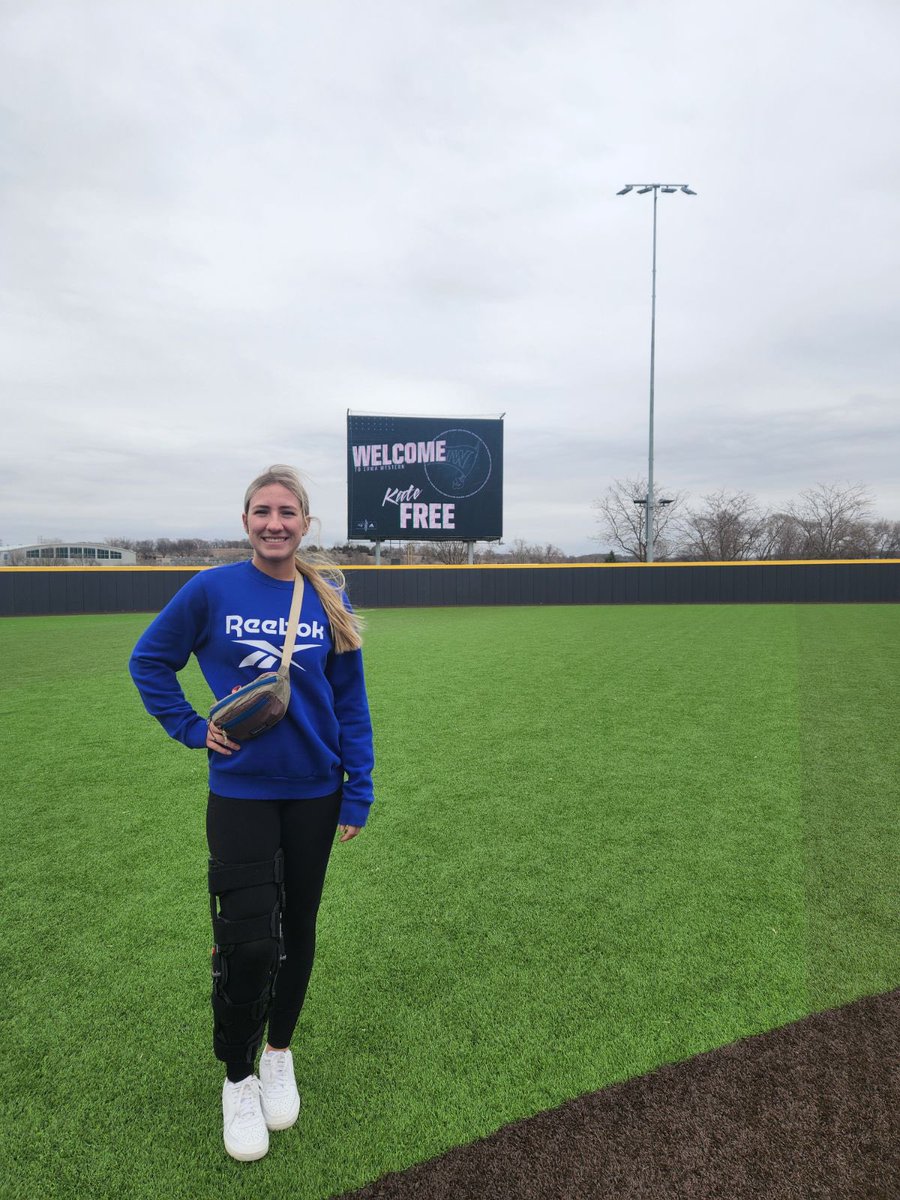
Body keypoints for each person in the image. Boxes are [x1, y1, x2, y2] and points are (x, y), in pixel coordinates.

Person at [129, 465, 374, 1162]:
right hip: (240, 791)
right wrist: (189, 727)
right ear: (245, 521)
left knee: (297, 928)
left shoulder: (327, 596)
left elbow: (350, 701)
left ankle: (277, 1054)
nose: (275, 523)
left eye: (287, 512)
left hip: (316, 790)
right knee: (247, 940)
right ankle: (237, 1077)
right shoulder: (210, 589)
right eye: (263, 511)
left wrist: (358, 787)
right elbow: (149, 660)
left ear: (305, 523)